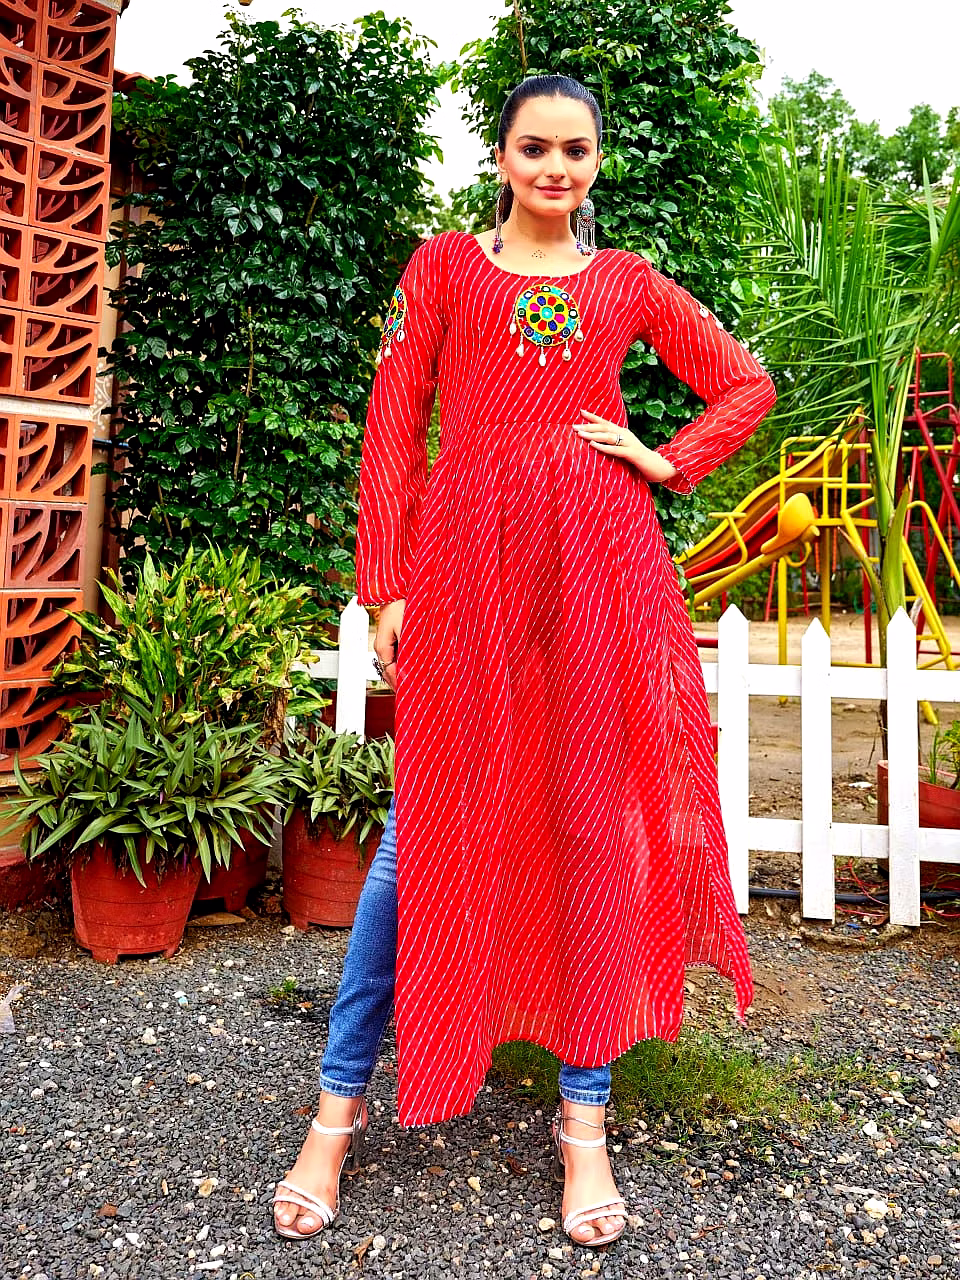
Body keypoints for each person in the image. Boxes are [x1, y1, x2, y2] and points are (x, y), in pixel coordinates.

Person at [273, 73, 775, 1249]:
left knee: (592, 820)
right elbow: (393, 423)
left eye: (576, 151)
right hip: (468, 567)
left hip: (599, 566)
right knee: (416, 836)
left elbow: (745, 383)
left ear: (596, 162)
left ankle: (584, 1120)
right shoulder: (443, 268)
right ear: (501, 156)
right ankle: (337, 1108)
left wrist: (665, 459)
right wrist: (385, 582)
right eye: (536, 148)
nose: (557, 168)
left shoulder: (625, 281)